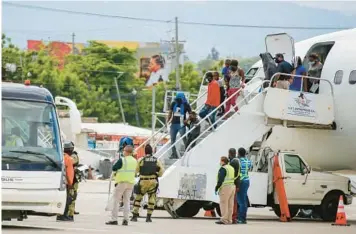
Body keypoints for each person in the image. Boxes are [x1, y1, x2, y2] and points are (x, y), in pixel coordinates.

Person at [131, 144, 164, 222]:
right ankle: (148, 217)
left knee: (138, 198)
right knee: (151, 199)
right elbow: (161, 171)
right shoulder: (156, 160)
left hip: (143, 181)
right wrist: (157, 175)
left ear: (145, 152)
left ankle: (134, 216)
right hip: (153, 181)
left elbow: (135, 171)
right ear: (152, 151)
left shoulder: (141, 160)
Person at [106, 145, 138, 226]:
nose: (123, 152)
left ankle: (114, 219)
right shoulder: (135, 161)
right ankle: (126, 220)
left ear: (126, 152)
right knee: (127, 202)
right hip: (130, 183)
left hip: (121, 182)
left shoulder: (122, 160)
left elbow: (114, 168)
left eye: (124, 150)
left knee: (116, 201)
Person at [167, 92, 191, 159]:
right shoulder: (174, 103)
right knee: (172, 140)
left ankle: (187, 151)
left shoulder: (186, 104)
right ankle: (174, 154)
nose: (178, 100)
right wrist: (168, 121)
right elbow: (170, 112)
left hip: (181, 124)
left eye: (179, 98)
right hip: (173, 124)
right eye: (177, 98)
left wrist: (187, 120)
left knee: (183, 138)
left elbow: (191, 114)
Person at [56, 141, 75, 222]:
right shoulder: (69, 159)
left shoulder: (60, 156)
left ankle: (60, 215)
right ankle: (64, 215)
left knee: (62, 198)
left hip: (59, 181)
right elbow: (69, 172)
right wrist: (70, 183)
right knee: (67, 199)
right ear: (70, 150)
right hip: (66, 182)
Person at [215, 156, 236, 225]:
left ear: (223, 161)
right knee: (230, 204)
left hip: (225, 187)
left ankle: (224, 219)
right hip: (232, 187)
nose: (220, 162)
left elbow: (220, 179)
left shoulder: (223, 169)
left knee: (224, 203)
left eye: (220, 161)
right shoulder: (231, 168)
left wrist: (217, 187)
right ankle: (229, 220)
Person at [237, 147, 252, 224]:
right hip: (247, 180)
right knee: (244, 200)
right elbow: (249, 168)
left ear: (238, 153)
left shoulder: (238, 161)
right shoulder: (248, 161)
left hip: (241, 181)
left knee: (241, 201)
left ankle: (241, 219)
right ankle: (243, 217)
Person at [228, 148, 241, 224]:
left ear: (230, 153)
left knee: (232, 202)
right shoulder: (237, 160)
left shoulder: (233, 162)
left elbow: (232, 174)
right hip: (236, 183)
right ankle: (233, 218)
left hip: (233, 184)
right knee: (234, 202)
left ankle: (233, 218)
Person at [70, 142, 81, 216]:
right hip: (72, 178)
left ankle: (72, 210)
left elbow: (74, 162)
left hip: (74, 178)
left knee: (73, 194)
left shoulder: (73, 155)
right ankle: (70, 211)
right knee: (72, 195)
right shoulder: (71, 155)